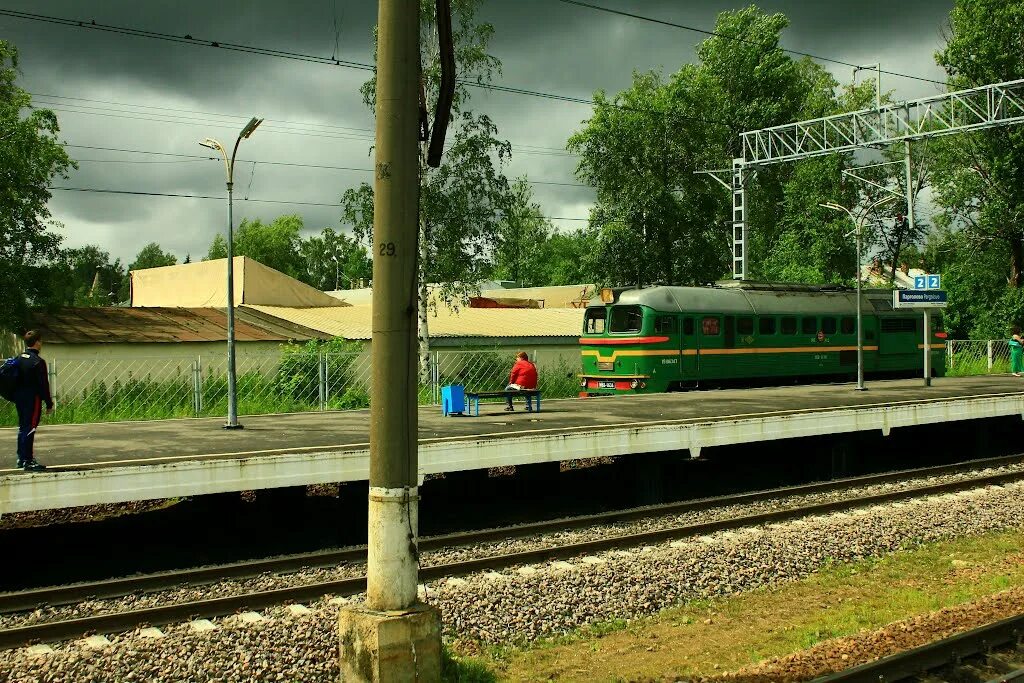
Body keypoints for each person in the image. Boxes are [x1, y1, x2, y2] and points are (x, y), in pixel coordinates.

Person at [13, 330, 53, 471]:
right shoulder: (38, 362)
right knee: (30, 428)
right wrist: (49, 403)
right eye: (40, 341)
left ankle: (21, 458)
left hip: (19, 398)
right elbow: (44, 385)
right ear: (36, 342)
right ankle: (28, 461)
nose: (41, 343)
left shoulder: (19, 358)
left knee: (23, 427)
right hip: (32, 399)